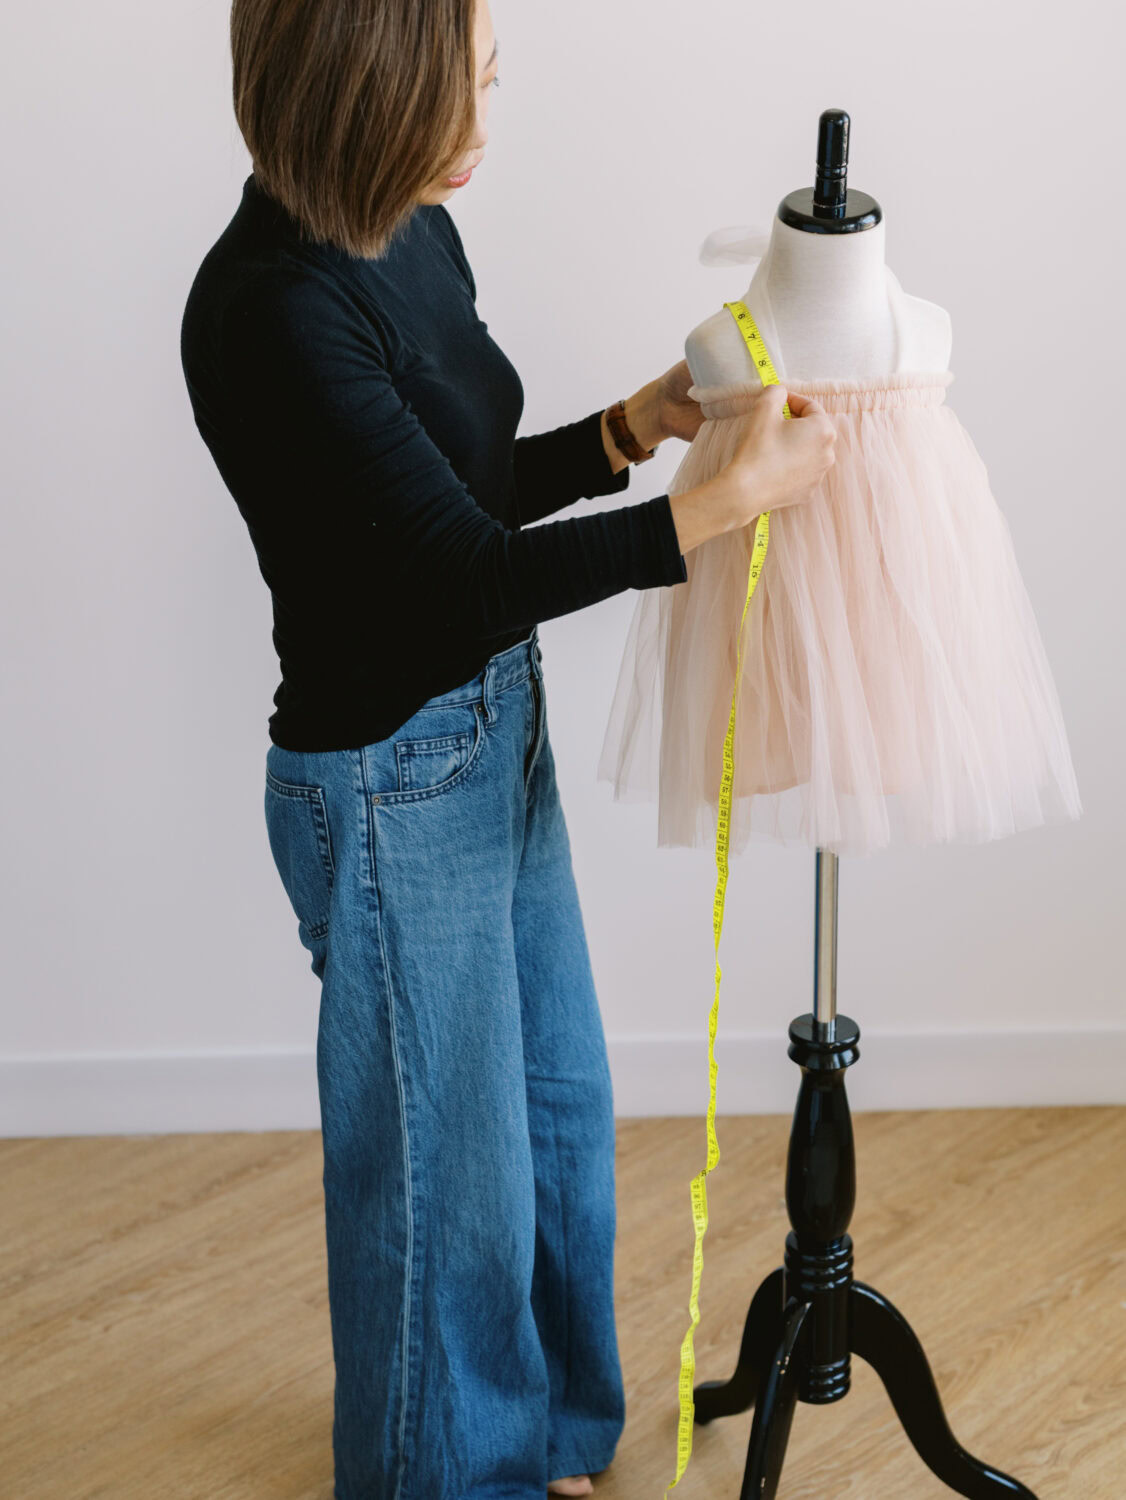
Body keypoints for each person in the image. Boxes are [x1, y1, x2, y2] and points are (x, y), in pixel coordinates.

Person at [179, 1, 837, 1495]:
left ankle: (535, 1445)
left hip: (487, 723)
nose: (483, 129)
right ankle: (444, 1474)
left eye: (489, 85)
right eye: (457, 94)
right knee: (443, 1189)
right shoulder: (268, 308)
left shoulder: (409, 225)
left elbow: (451, 491)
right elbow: (448, 575)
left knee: (551, 1118)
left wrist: (627, 427)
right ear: (358, 95)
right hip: (389, 777)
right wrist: (719, 507)